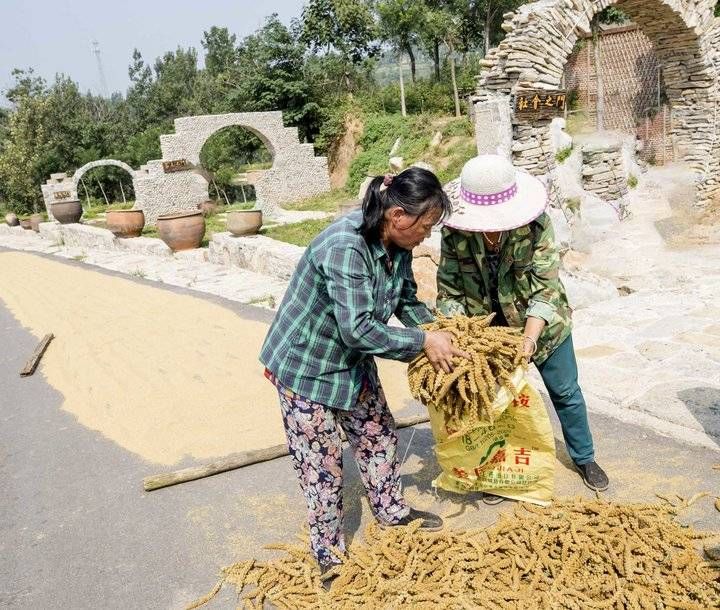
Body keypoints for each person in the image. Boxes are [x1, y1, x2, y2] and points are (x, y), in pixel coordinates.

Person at [260, 167, 467, 577]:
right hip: (308, 367)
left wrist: (435, 331)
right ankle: (329, 551)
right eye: (425, 226)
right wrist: (423, 344)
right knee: (321, 465)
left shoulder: (398, 245)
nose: (427, 235)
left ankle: (391, 512)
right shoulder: (346, 245)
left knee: (378, 436)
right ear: (397, 216)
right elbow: (357, 329)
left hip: (353, 361)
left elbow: (405, 299)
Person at [436, 154, 609, 497]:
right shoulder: (455, 234)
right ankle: (499, 468)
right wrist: (461, 335)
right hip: (489, 334)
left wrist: (529, 340)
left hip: (543, 327)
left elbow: (546, 289)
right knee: (493, 400)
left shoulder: (536, 226)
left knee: (565, 391)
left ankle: (584, 457)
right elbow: (450, 290)